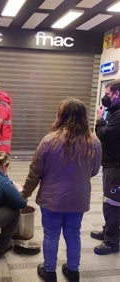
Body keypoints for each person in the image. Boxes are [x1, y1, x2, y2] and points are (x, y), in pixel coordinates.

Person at [21, 98, 102, 282]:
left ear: (61, 115)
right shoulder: (94, 142)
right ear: (83, 117)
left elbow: (35, 172)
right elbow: (95, 170)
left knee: (51, 234)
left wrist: (24, 194)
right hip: (78, 199)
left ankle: (50, 271)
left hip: (52, 199)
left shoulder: (49, 140)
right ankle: (73, 271)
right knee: (73, 233)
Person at [90, 79, 120, 255]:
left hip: (116, 167)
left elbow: (106, 136)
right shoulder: (115, 111)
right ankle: (109, 230)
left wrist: (99, 120)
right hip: (112, 164)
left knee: (112, 203)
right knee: (112, 201)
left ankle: (112, 241)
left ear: (118, 94)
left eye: (108, 94)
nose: (105, 98)